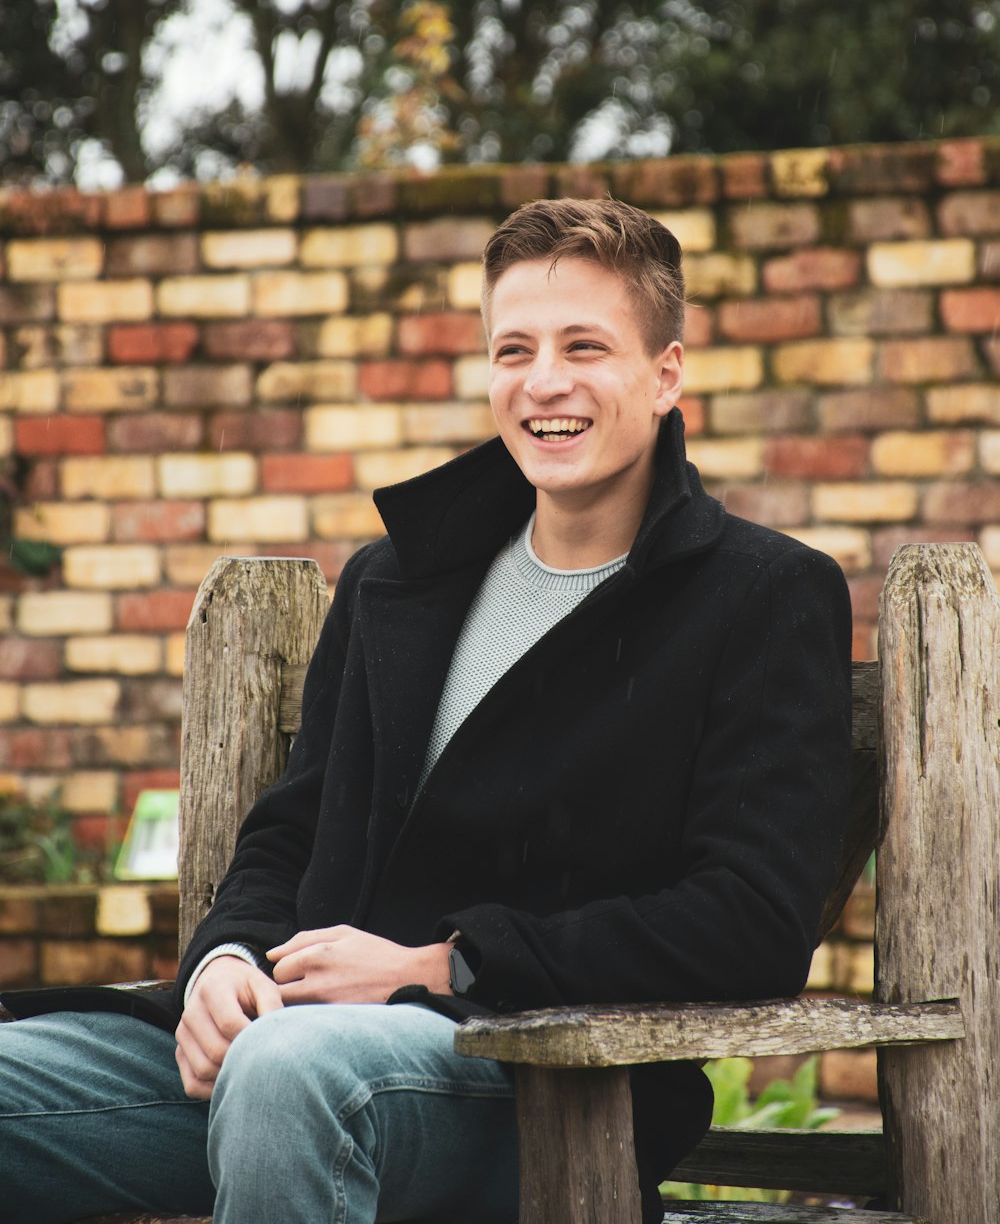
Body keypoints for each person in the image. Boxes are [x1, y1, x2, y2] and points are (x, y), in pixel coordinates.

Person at [0, 198, 852, 1224]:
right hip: (289, 1037)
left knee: (286, 1075)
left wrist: (442, 963)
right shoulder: (398, 580)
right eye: (514, 349)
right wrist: (223, 962)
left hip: (533, 1078)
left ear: (666, 374)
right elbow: (290, 829)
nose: (545, 381)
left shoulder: (758, 595)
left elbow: (750, 919)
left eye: (586, 346)